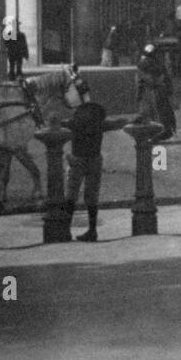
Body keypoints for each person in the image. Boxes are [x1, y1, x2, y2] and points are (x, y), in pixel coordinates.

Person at [62, 77, 107, 242]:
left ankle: (65, 230)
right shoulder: (97, 111)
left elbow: (72, 127)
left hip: (78, 157)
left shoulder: (79, 114)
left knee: (71, 193)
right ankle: (92, 230)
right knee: (92, 195)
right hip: (95, 156)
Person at [137, 43, 177, 142]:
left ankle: (154, 134)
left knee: (150, 113)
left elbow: (139, 81)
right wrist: (169, 90)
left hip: (148, 92)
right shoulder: (159, 63)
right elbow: (166, 78)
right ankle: (165, 131)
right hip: (160, 91)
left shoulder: (142, 64)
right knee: (163, 112)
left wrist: (138, 95)